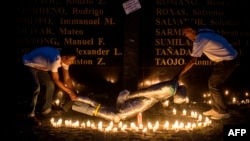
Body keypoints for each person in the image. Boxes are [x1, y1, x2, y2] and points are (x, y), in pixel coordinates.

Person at [174, 23, 238, 120]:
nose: (185, 36)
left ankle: (223, 112)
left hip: (227, 61)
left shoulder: (200, 39)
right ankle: (217, 109)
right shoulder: (204, 31)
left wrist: (179, 74)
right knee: (212, 83)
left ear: (191, 31)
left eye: (185, 33)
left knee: (214, 85)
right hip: (223, 60)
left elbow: (192, 61)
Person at [22, 46, 78, 125]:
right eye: (71, 60)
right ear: (64, 57)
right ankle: (30, 115)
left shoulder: (64, 61)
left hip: (42, 67)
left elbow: (67, 79)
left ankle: (46, 111)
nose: (72, 62)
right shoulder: (55, 60)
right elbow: (56, 79)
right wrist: (70, 92)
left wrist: (73, 92)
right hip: (30, 64)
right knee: (36, 87)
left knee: (50, 85)